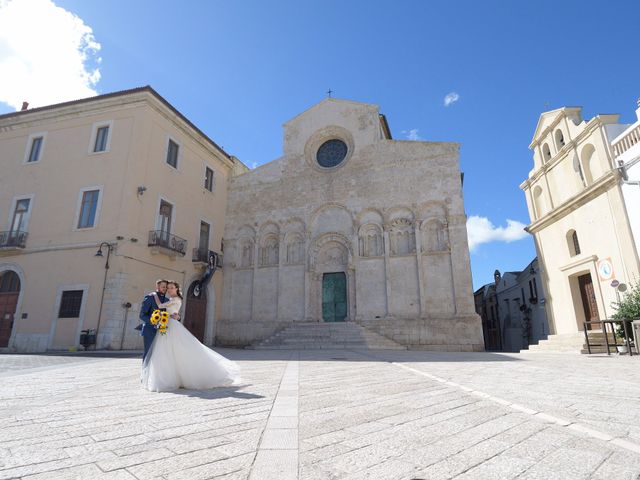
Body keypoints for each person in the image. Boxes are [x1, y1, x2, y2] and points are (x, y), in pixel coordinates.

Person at [141, 280, 241, 392]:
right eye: (167, 288)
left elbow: (162, 307)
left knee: (172, 352)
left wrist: (157, 298)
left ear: (177, 289)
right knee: (162, 353)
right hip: (163, 327)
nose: (168, 289)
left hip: (170, 327)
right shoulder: (168, 299)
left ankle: (171, 379)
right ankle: (155, 377)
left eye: (171, 287)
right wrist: (172, 316)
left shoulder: (174, 299)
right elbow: (165, 312)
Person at [138, 279, 168, 361]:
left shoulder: (167, 301)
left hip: (162, 331)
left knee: (159, 354)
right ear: (157, 286)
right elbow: (142, 315)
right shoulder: (150, 297)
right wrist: (153, 321)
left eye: (166, 287)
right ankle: (145, 372)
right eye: (163, 287)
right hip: (149, 330)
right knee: (148, 353)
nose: (165, 288)